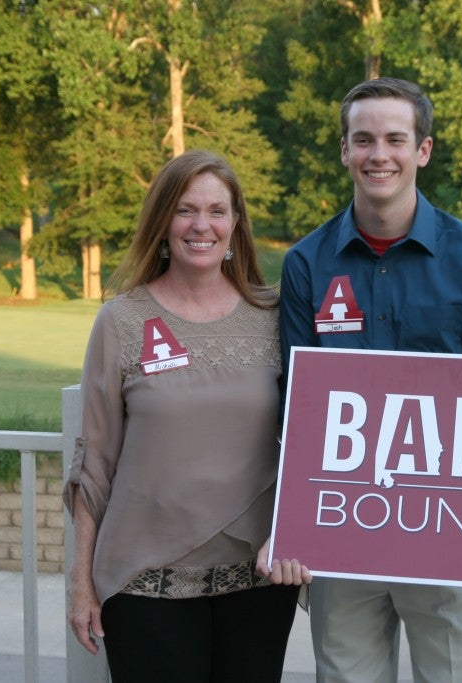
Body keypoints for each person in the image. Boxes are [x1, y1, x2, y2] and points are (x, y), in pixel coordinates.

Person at [261, 77, 462, 683]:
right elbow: (294, 408)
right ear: (345, 150)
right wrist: (289, 524)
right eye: (364, 139)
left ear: (422, 150)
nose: (380, 154)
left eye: (396, 139)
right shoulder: (306, 264)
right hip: (346, 529)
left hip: (452, 534)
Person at [64, 150, 303, 682]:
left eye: (217, 211)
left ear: (236, 224)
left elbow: (313, 437)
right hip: (145, 582)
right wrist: (80, 583)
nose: (202, 226)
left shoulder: (275, 316)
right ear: (162, 221)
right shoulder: (121, 321)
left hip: (258, 581)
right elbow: (94, 462)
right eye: (185, 210)